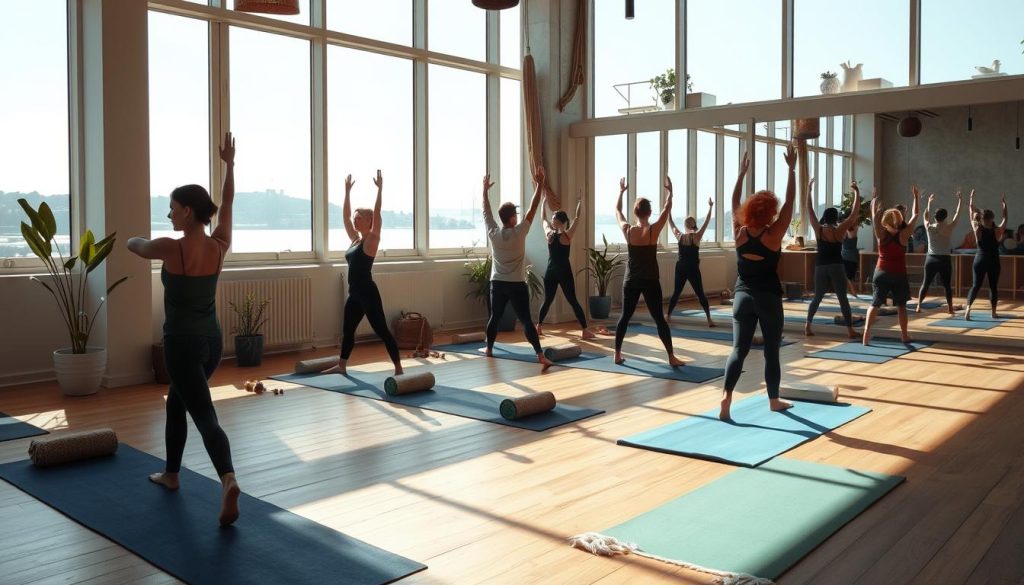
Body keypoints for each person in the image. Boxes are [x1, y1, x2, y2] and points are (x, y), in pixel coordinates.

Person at [126, 132, 240, 526]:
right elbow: (228, 204)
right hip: (212, 342)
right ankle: (172, 474)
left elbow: (137, 246)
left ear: (188, 211)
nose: (170, 215)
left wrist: (131, 238)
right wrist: (230, 165)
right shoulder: (219, 245)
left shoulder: (170, 247)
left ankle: (228, 479)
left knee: (204, 414)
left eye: (173, 208)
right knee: (178, 402)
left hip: (181, 345)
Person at [720, 147, 797, 421]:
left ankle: (726, 397)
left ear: (748, 210)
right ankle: (774, 401)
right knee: (771, 351)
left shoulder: (739, 232)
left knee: (738, 350)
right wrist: (791, 169)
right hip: (768, 297)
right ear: (771, 213)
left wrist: (741, 175)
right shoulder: (774, 234)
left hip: (742, 296)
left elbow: (733, 201)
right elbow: (790, 202)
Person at [324, 171, 404, 376]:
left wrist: (380, 190)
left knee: (382, 330)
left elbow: (378, 213)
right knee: (348, 330)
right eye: (355, 218)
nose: (354, 221)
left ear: (369, 221)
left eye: (359, 219)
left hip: (368, 293)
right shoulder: (355, 240)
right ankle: (342, 365)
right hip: (354, 294)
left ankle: (398, 368)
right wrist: (346, 192)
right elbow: (344, 217)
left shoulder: (372, 240)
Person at [482, 168, 553, 371]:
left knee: (495, 317)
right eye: (515, 215)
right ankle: (540, 355)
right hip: (517, 284)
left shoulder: (494, 233)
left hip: (497, 283)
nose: (517, 217)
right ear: (512, 218)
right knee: (526, 321)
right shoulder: (520, 232)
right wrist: (540, 184)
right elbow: (533, 207)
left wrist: (484, 191)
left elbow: (486, 212)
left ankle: (489, 349)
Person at [612, 176, 685, 367]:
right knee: (659, 319)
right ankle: (671, 357)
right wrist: (670, 193)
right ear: (649, 212)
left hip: (631, 279)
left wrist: (621, 192)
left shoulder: (628, 230)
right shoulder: (653, 231)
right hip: (650, 280)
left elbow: (617, 211)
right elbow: (667, 210)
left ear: (635, 212)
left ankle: (617, 354)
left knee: (625, 317)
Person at [862, 186, 920, 345]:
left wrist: (874, 200)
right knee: (901, 306)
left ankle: (866, 333)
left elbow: (874, 215)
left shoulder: (881, 234)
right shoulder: (904, 235)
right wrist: (916, 197)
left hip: (881, 272)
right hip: (899, 274)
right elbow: (915, 214)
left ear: (885, 221)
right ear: (900, 221)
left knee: (875, 303)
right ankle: (904, 335)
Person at [804, 179, 861, 338]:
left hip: (821, 266)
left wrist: (809, 190)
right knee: (842, 298)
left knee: (817, 297)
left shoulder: (818, 229)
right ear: (835, 218)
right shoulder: (840, 230)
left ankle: (807, 326)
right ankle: (850, 330)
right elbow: (854, 214)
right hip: (837, 266)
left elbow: (809, 209)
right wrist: (856, 192)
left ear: (824, 217)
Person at [536, 196, 596, 340]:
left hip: (551, 271)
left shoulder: (549, 234)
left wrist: (544, 202)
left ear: (560, 221)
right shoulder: (567, 235)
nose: (552, 220)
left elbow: (543, 218)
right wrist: (580, 202)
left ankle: (539, 327)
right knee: (572, 300)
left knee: (548, 300)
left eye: (554, 218)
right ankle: (585, 330)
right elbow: (577, 218)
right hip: (563, 271)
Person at [665, 199, 715, 327]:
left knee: (676, 293)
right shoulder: (697, 236)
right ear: (694, 225)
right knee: (700, 293)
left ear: (685, 226)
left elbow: (670, 222)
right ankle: (709, 319)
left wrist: (668, 210)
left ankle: (668, 316)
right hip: (692, 268)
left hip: (681, 267)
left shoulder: (680, 236)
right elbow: (707, 221)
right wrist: (710, 207)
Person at [916, 190, 961, 314]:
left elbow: (925, 216)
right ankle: (950, 308)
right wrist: (960, 200)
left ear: (935, 217)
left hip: (931, 259)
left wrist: (929, 202)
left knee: (925, 283)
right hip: (944, 259)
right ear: (945, 217)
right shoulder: (949, 227)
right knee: (946, 285)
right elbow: (957, 214)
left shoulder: (929, 227)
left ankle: (918, 306)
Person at [964, 192, 1008, 320]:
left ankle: (968, 309)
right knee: (993, 287)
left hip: (980, 260)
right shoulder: (997, 230)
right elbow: (1005, 218)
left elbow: (971, 213)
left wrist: (971, 198)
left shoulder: (977, 228)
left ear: (983, 219)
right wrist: (1004, 206)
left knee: (975, 285)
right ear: (992, 218)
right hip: (993, 261)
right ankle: (993, 313)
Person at [841, 209, 861, 299]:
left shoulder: (853, 230)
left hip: (851, 257)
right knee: (847, 276)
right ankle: (851, 292)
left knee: (849, 276)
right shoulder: (845, 231)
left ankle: (854, 293)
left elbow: (854, 224)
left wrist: (853, 217)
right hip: (845, 256)